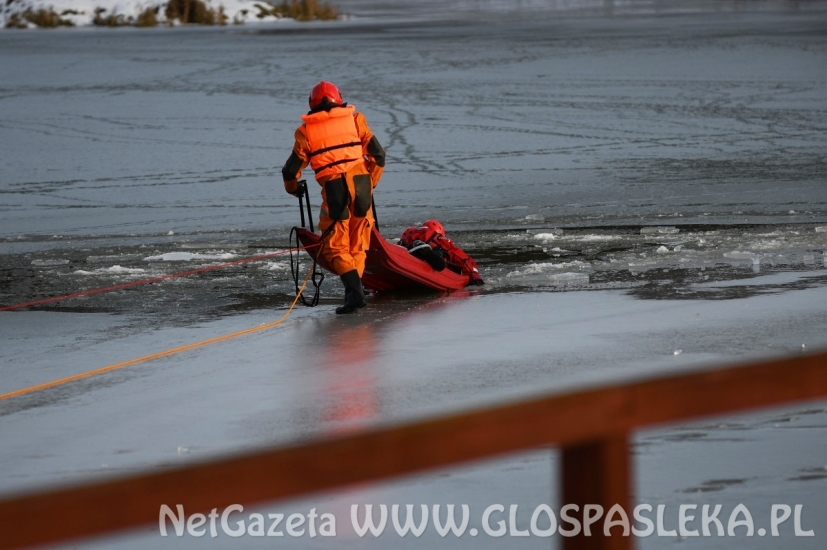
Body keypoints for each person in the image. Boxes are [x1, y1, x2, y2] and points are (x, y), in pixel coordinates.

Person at [282, 81, 386, 314]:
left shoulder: (306, 132)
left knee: (335, 248)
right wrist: (370, 183)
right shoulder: (356, 120)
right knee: (357, 245)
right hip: (362, 187)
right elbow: (378, 156)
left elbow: (290, 171)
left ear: (312, 104)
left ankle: (355, 294)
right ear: (338, 99)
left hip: (335, 190)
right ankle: (355, 293)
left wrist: (293, 189)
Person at [398, 220, 484, 286]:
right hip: (432, 260)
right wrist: (474, 276)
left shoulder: (413, 236)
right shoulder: (442, 241)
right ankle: (425, 252)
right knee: (440, 262)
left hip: (410, 255)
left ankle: (422, 251)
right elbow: (463, 259)